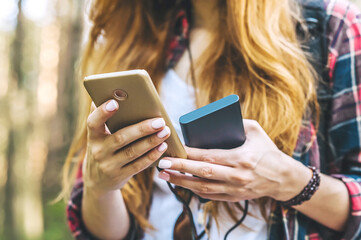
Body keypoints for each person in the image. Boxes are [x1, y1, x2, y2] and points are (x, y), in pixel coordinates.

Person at [63, 0, 361, 239]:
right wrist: (99, 186)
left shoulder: (332, 28)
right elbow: (108, 232)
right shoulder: (131, 35)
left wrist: (286, 180)